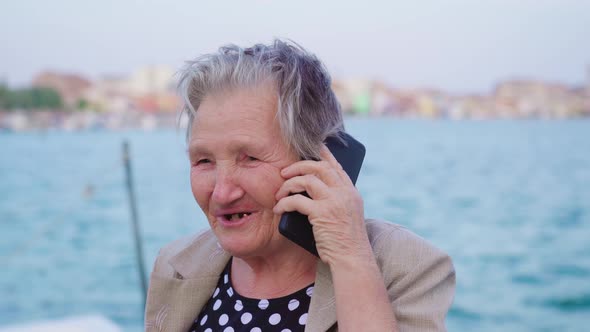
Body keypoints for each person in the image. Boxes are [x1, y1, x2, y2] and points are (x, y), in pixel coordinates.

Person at [145, 40, 455, 332]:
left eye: (250, 158)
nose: (223, 193)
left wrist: (350, 258)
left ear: (323, 161)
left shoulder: (407, 266)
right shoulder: (175, 263)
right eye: (203, 161)